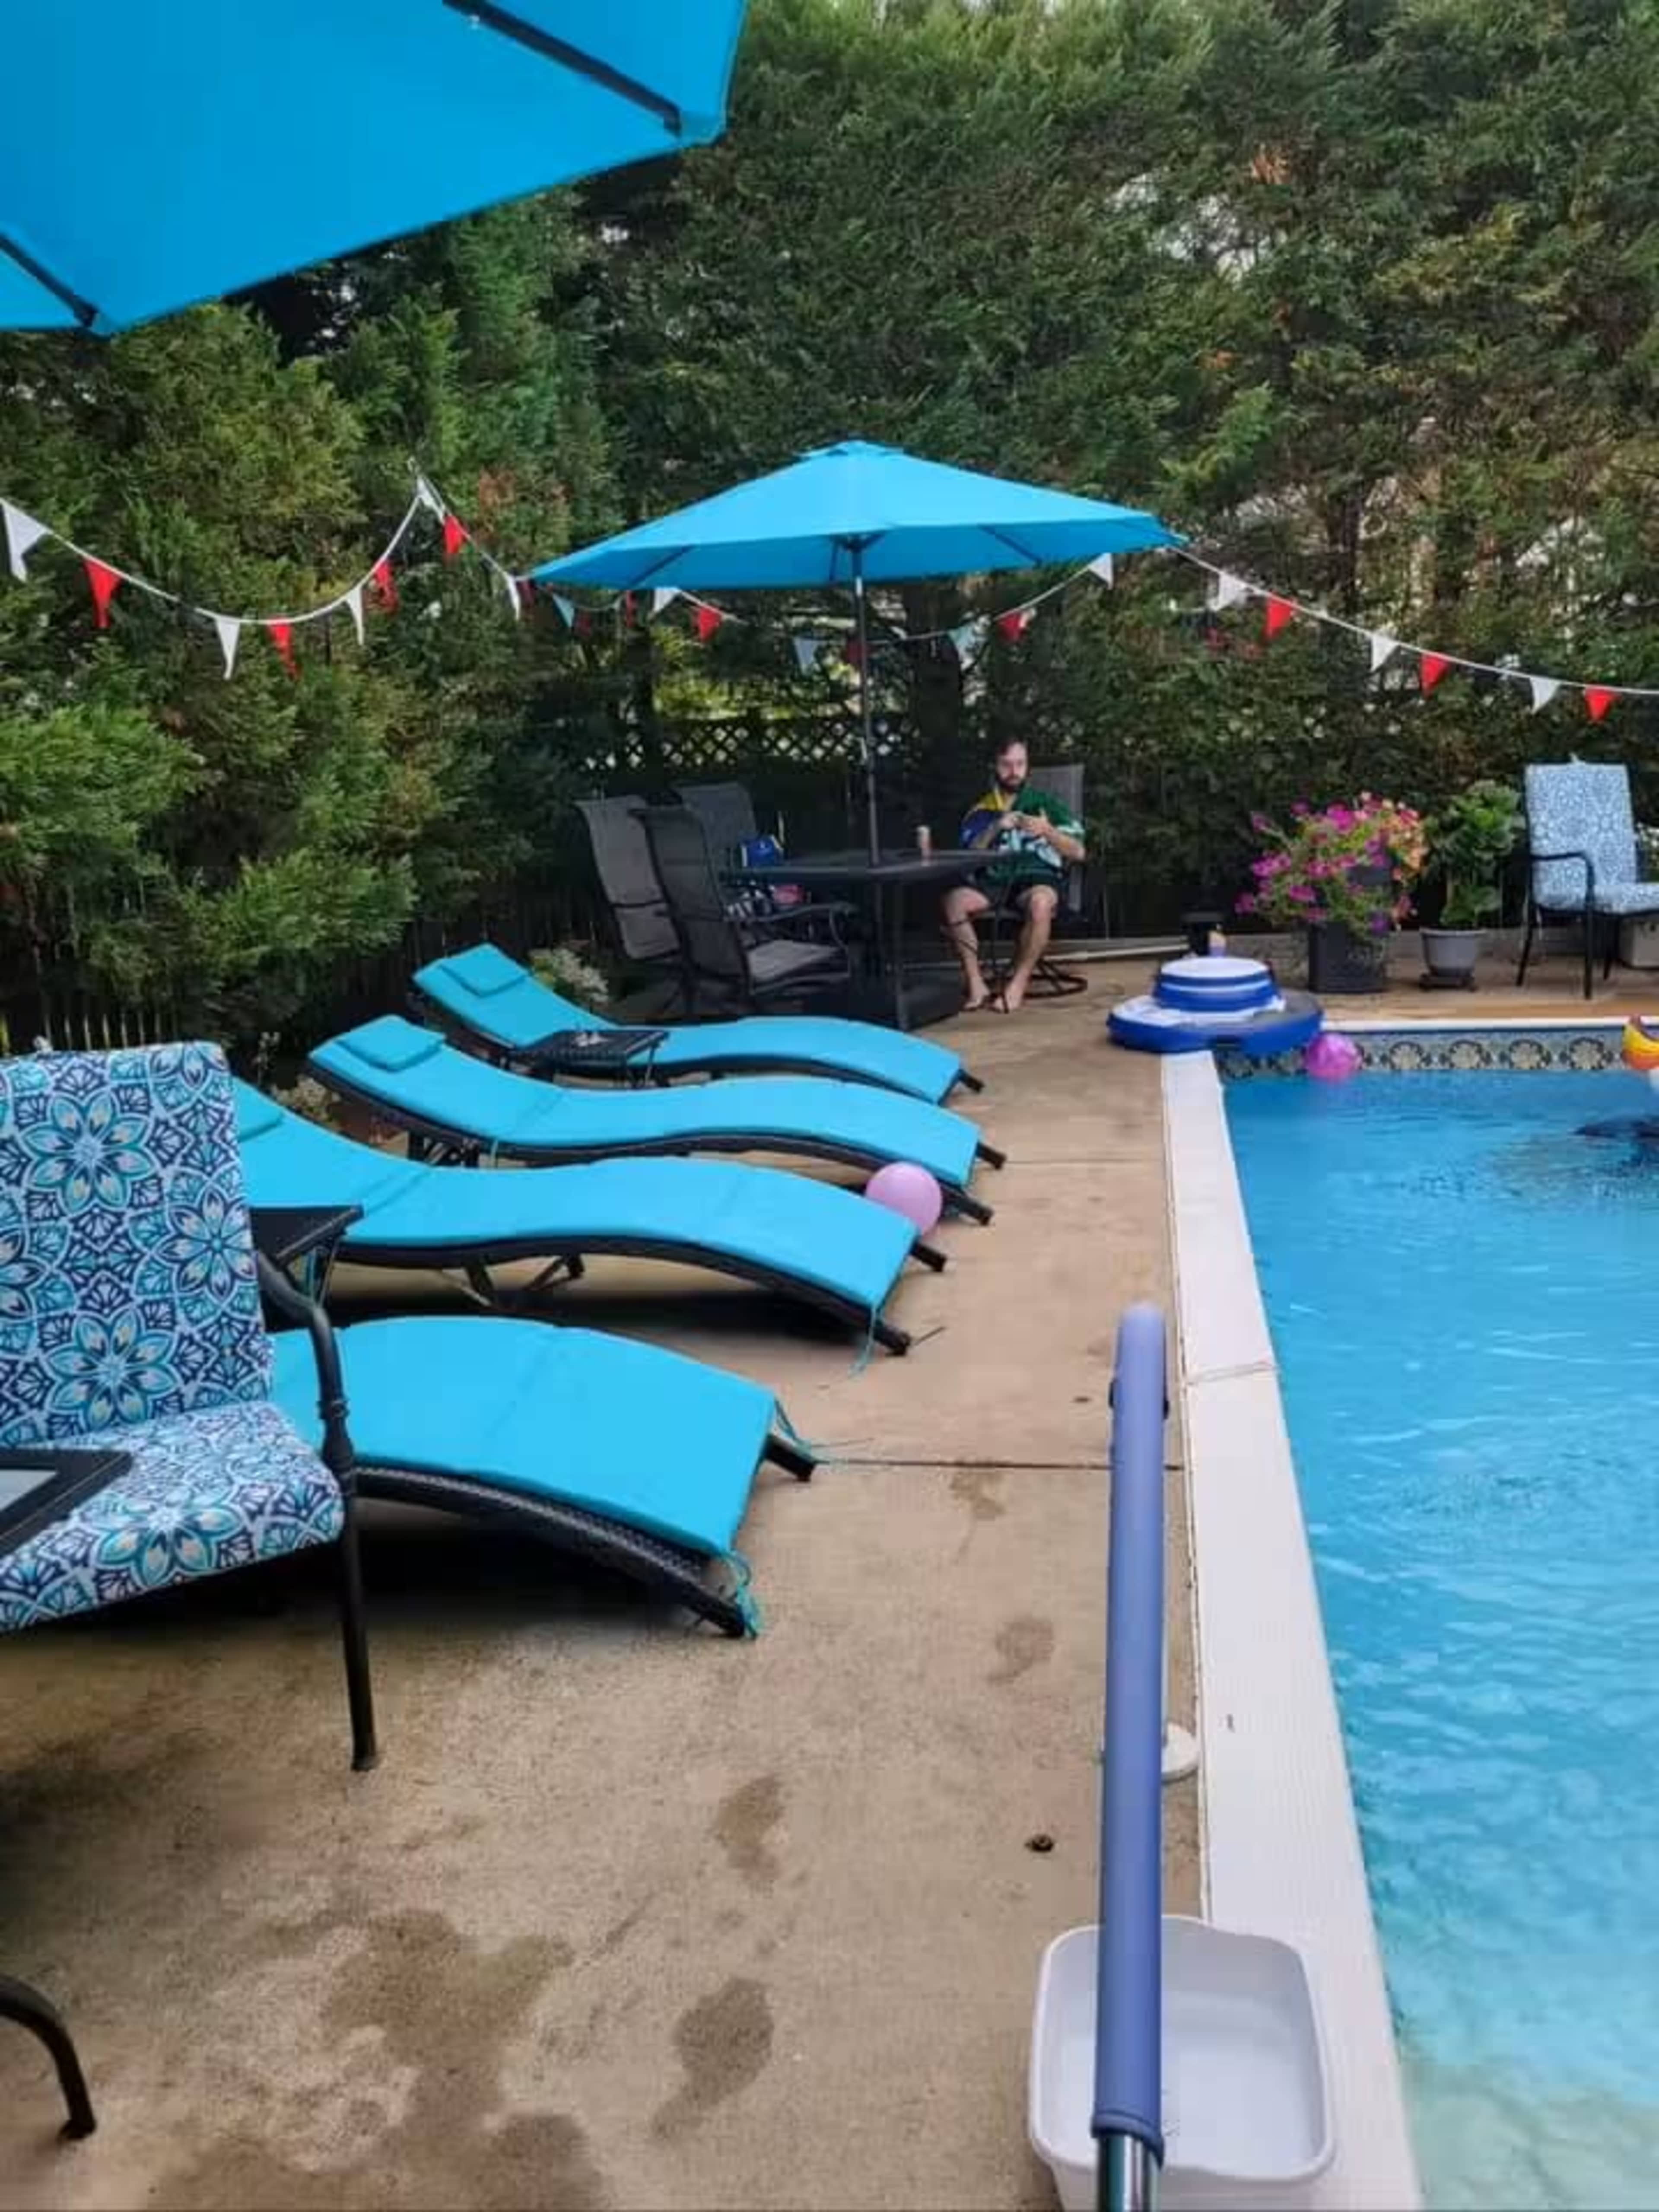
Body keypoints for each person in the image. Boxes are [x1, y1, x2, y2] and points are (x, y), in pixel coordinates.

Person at [941, 738, 1086, 1012]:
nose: (1014, 771)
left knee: (1041, 903)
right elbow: (968, 855)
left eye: (1020, 764)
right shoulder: (982, 810)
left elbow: (1079, 852)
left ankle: (1016, 986)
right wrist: (996, 827)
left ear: (1028, 767)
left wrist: (1048, 831)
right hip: (993, 881)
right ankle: (976, 983)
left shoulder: (1046, 805)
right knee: (953, 901)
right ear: (995, 767)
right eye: (1006, 765)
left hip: (1035, 879)